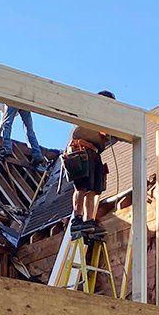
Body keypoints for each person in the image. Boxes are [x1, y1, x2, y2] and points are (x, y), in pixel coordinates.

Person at [62, 90, 115, 233]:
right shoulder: (88, 113)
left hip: (94, 153)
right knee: (81, 187)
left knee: (93, 190)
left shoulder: (105, 119)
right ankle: (77, 219)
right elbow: (77, 135)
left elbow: (107, 135)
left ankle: (89, 220)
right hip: (82, 151)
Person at [0, 106, 47, 171]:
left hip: (13, 101)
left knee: (7, 123)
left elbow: (5, 117)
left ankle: (7, 147)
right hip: (25, 103)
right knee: (29, 128)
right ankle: (37, 154)